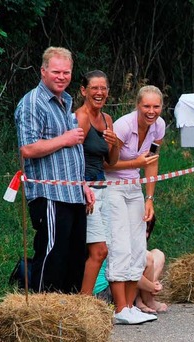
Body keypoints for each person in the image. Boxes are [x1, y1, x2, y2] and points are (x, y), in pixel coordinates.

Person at [14, 46, 94, 293]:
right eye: (56, 72)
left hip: (72, 194)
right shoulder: (32, 103)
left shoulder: (65, 101)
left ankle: (67, 317)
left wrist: (82, 184)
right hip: (49, 195)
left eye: (66, 72)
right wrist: (65, 139)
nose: (61, 77)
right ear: (43, 71)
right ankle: (41, 314)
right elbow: (26, 148)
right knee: (52, 258)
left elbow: (70, 154)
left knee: (75, 257)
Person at [103, 85, 165, 325]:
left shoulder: (158, 127)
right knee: (120, 246)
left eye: (156, 106)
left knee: (138, 247)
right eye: (146, 106)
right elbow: (106, 164)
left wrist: (150, 198)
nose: (151, 111)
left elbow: (151, 161)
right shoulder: (123, 126)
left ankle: (130, 306)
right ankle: (120, 307)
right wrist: (135, 162)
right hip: (112, 186)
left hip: (135, 188)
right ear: (138, 106)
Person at [75, 70, 120, 296]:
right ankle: (84, 303)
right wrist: (81, 187)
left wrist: (116, 144)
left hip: (103, 188)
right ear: (84, 91)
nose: (99, 93)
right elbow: (72, 156)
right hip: (86, 190)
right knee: (98, 250)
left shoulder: (107, 119)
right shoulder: (80, 117)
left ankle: (88, 299)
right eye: (94, 88)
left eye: (103, 88)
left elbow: (110, 162)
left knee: (105, 249)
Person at [134, 215, 168, 314]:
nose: (146, 235)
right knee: (147, 257)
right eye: (142, 230)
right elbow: (129, 273)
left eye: (148, 231)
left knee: (158, 254)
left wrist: (151, 283)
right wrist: (153, 287)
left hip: (135, 280)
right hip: (115, 288)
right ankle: (142, 301)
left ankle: (142, 298)